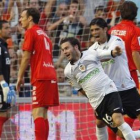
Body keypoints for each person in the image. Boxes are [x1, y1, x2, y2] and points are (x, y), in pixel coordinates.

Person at [60, 37, 137, 140]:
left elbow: (108, 53)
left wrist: (115, 51)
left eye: (66, 48)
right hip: (97, 102)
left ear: (75, 47)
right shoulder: (68, 71)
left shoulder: (91, 53)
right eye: (63, 50)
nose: (64, 52)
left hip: (109, 91)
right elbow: (79, 88)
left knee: (118, 120)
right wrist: (92, 97)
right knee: (117, 132)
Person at [89, 17, 140, 140]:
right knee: (101, 123)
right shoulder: (92, 50)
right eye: (92, 30)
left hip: (126, 88)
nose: (94, 32)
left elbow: (112, 55)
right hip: (109, 92)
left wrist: (110, 54)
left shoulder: (116, 41)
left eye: (97, 29)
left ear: (105, 29)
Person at [16, 8, 59, 140]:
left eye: (22, 16)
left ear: (30, 18)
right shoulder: (44, 34)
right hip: (51, 75)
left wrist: (19, 76)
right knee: (43, 113)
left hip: (41, 76)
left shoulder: (31, 31)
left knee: (37, 113)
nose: (20, 19)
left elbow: (26, 56)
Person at [109, 1, 140, 89]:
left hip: (113, 73)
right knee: (133, 101)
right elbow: (135, 53)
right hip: (129, 73)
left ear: (121, 13)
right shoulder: (136, 31)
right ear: (135, 13)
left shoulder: (112, 30)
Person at [0, 20, 16, 138]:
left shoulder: (4, 46)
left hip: (3, 85)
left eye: (9, 27)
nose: (9, 30)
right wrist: (2, 84)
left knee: (5, 114)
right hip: (0, 86)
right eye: (6, 28)